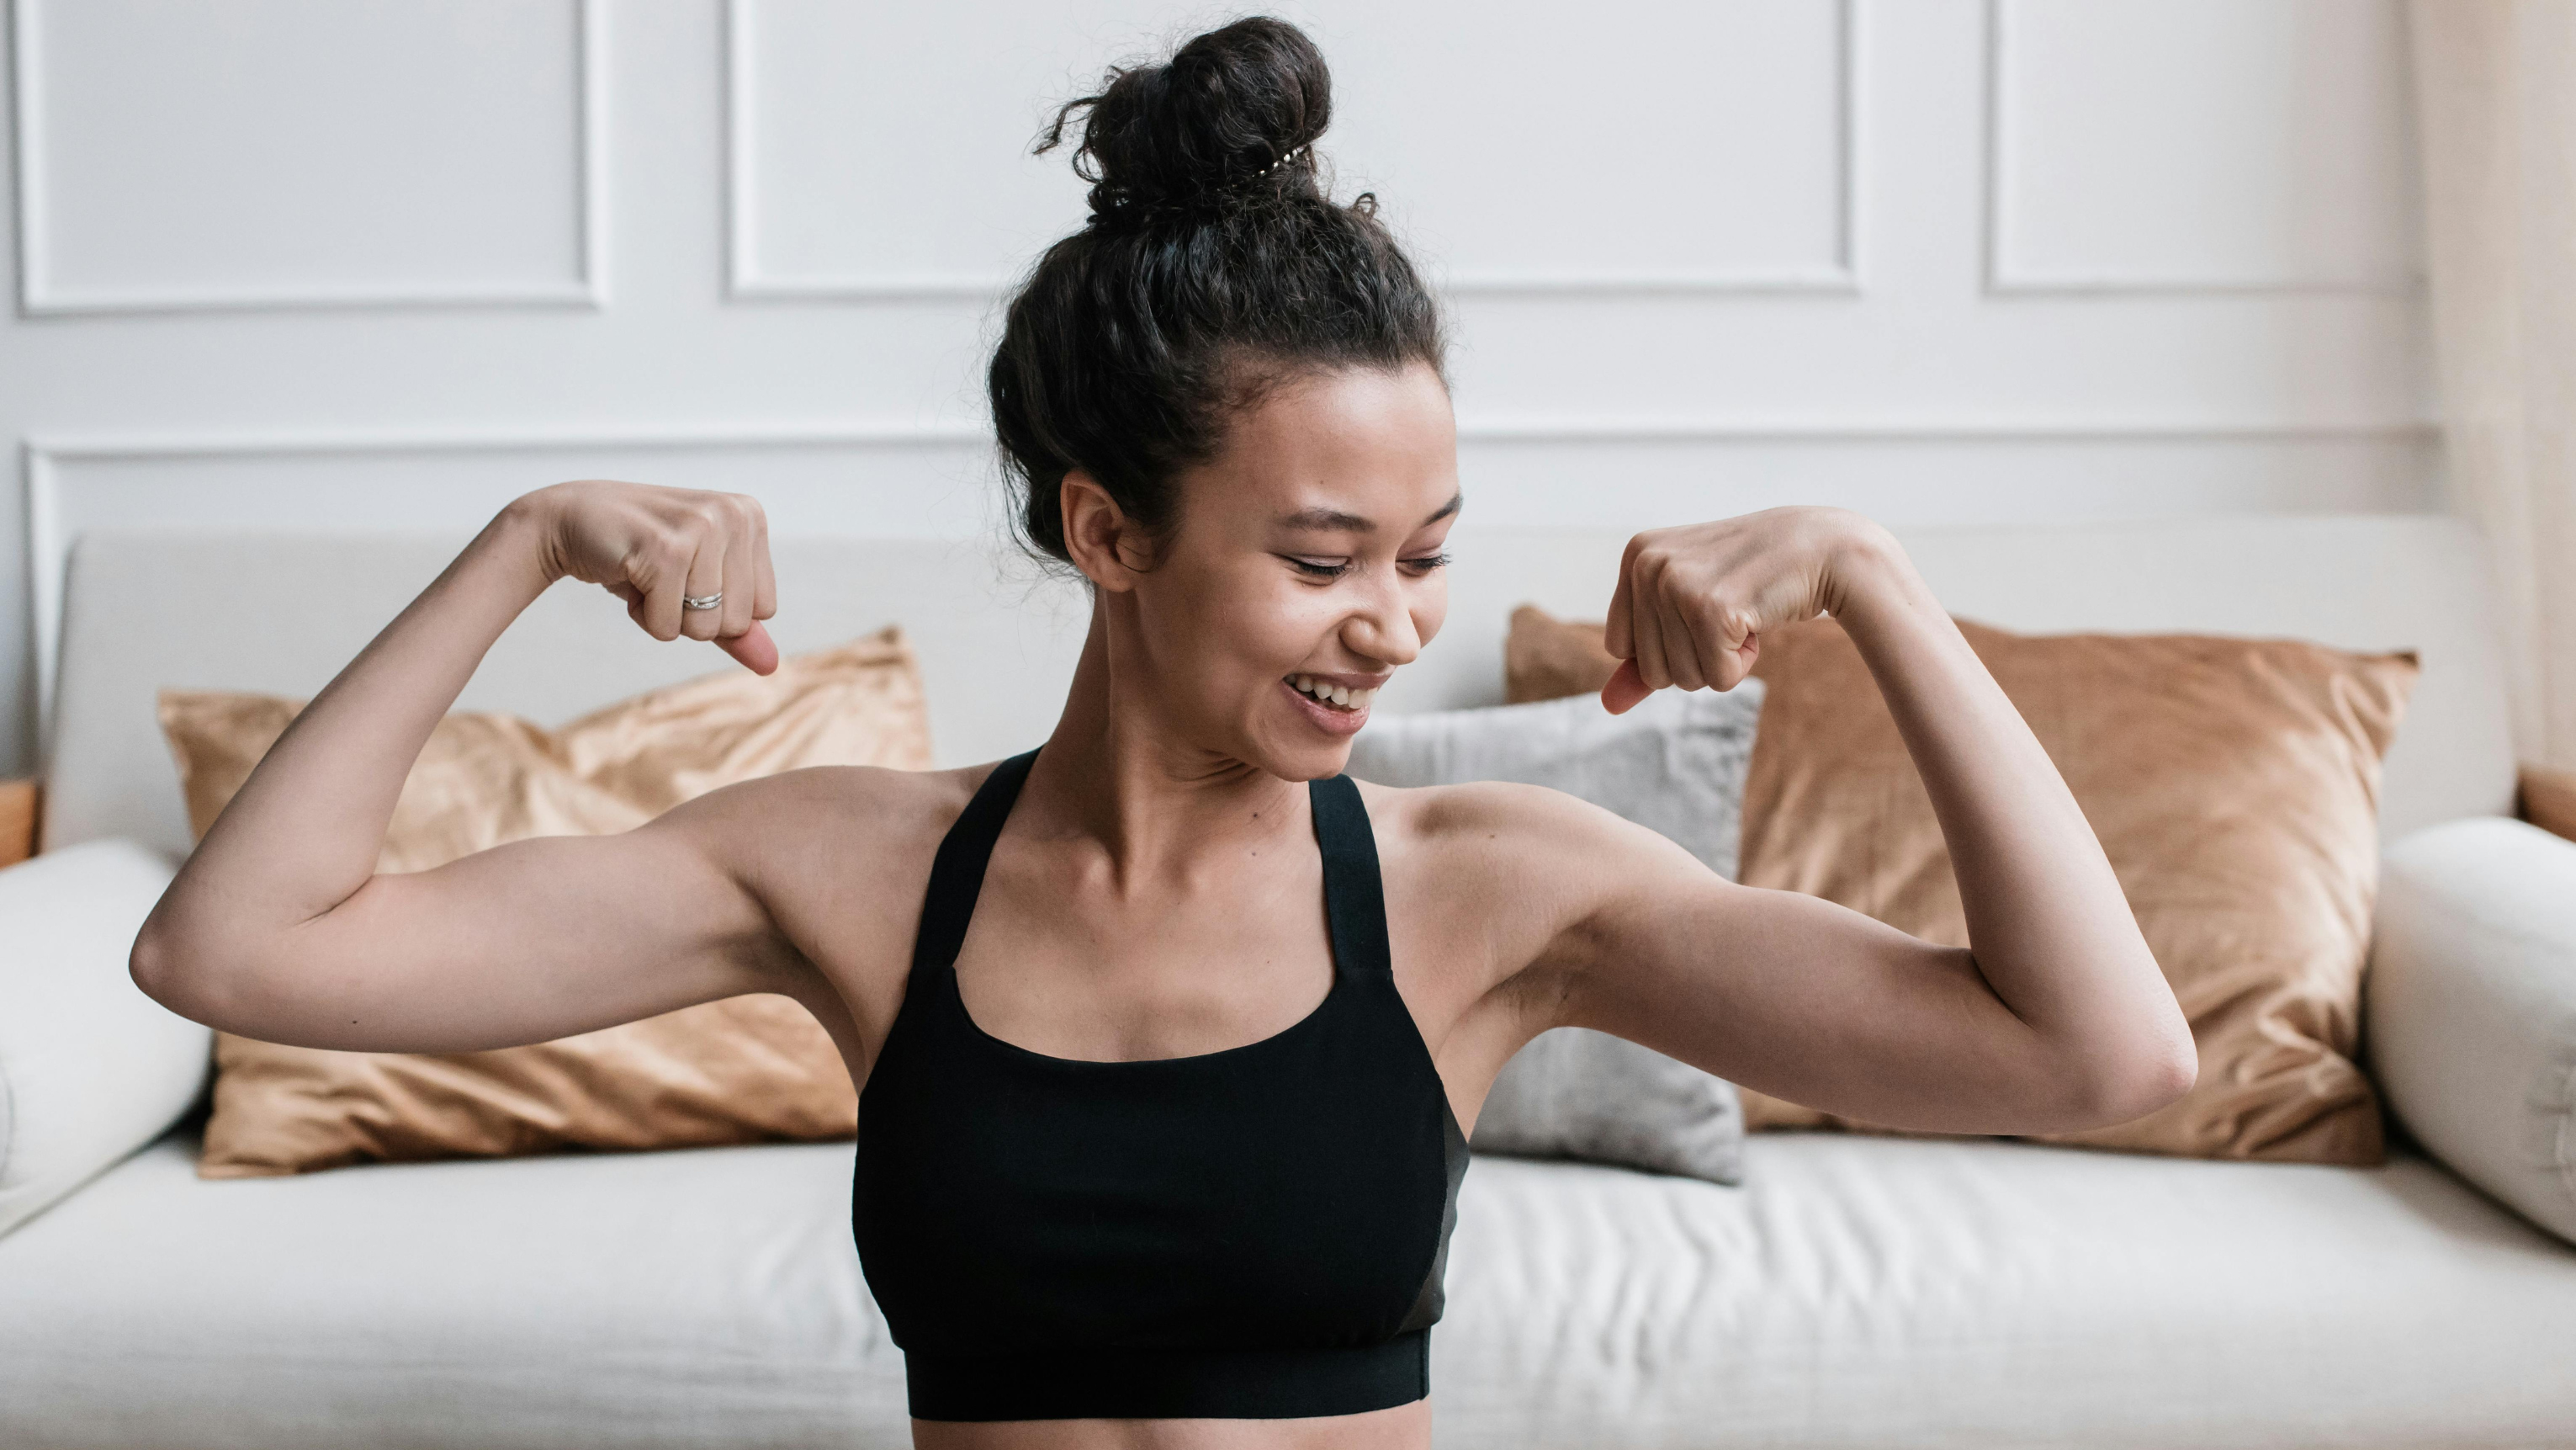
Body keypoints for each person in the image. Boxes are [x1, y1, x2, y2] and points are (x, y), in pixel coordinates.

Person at [129, 16, 2194, 1450]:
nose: (1388, 625)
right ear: (1107, 531)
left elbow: (2098, 1056)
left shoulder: (1493, 891)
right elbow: (235, 954)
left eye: (1427, 553)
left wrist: (1868, 578)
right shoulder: (850, 869)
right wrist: (523, 542)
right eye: (1320, 559)